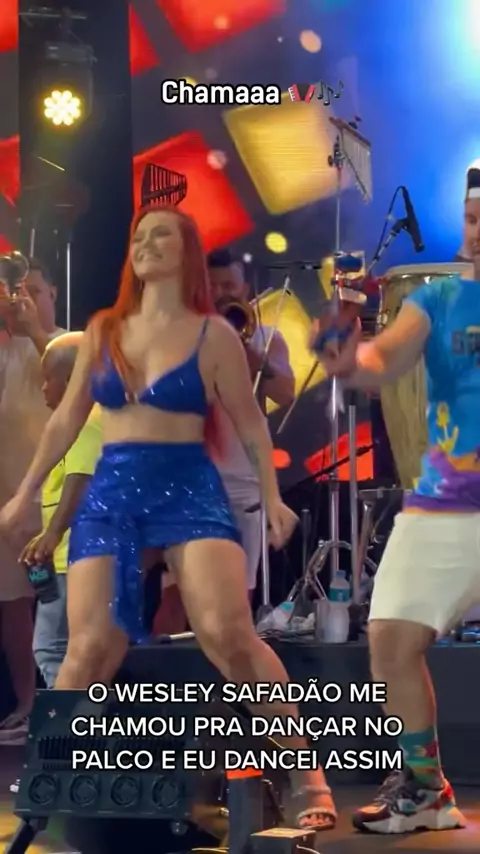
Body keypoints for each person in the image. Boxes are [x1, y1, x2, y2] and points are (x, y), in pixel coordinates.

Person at [0, 205, 336, 831]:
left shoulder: (214, 336)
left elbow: (251, 424)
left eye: (162, 235)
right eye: (139, 236)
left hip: (187, 487)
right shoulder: (103, 330)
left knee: (228, 635)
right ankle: (45, 785)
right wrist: (25, 495)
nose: (147, 243)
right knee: (87, 649)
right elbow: (65, 420)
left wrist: (272, 495)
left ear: (186, 253)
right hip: (114, 493)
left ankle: (305, 774)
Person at [313, 164, 480, 834]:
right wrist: (346, 354)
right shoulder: (437, 300)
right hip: (447, 497)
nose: (479, 231)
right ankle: (426, 788)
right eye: (473, 218)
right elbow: (381, 361)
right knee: (390, 637)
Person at [10, 332, 101, 795]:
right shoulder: (85, 422)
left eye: (48, 379)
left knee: (53, 651)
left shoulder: (85, 422)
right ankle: (75, 752)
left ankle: (69, 751)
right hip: (70, 558)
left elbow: (80, 479)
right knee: (68, 655)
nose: (43, 388)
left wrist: (52, 535)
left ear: (68, 379)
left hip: (74, 562)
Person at [0, 256, 63, 743]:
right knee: (13, 605)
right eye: (13, 291)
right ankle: (27, 704)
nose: (21, 299)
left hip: (57, 504)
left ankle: (65, 705)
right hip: (8, 506)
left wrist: (34, 331)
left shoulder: (65, 343)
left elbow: (73, 390)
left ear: (52, 295)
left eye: (32, 290)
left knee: (59, 610)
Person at [208, 249, 295, 599]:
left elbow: (285, 393)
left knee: (237, 592)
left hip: (244, 480)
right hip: (195, 476)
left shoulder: (267, 338)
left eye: (228, 286)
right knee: (179, 593)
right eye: (212, 286)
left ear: (244, 290)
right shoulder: (184, 339)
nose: (219, 294)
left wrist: (245, 350)